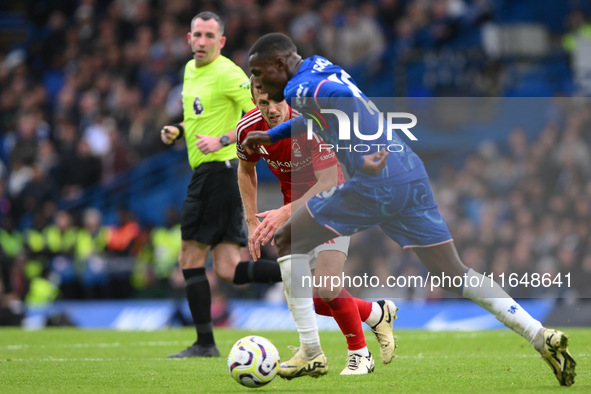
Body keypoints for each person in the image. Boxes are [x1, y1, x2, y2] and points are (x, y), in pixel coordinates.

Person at [242, 33, 576, 387]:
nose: (258, 83)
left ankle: (311, 351)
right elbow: (325, 112)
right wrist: (273, 135)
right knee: (454, 274)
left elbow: (338, 100)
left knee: (287, 239)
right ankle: (539, 335)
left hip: (375, 177)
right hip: (408, 171)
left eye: (260, 73)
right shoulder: (318, 66)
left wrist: (366, 151)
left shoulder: (299, 88)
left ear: (280, 65)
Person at [236, 78, 397, 376]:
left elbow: (327, 181)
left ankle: (360, 355)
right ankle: (376, 313)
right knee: (312, 301)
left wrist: (282, 212)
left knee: (326, 287)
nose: (271, 110)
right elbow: (245, 169)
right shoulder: (248, 129)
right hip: (297, 218)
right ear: (254, 102)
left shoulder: (310, 122)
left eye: (276, 101)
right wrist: (251, 221)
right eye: (263, 103)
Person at [159, 12, 281, 359]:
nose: (202, 41)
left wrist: (224, 138)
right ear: (188, 37)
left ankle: (204, 343)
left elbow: (257, 111)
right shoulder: (188, 70)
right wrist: (179, 130)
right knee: (227, 269)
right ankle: (295, 273)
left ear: (221, 42)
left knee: (189, 258)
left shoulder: (229, 74)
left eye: (209, 36)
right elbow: (200, 116)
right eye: (197, 34)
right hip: (221, 175)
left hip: (218, 171)